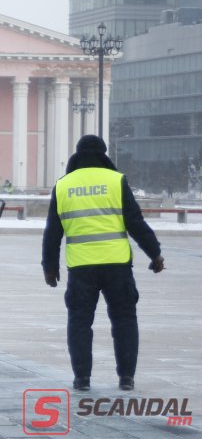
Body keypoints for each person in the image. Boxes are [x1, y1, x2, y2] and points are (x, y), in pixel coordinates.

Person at [42, 134, 165, 392]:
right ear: (103, 154)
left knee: (79, 322)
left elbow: (53, 231)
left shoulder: (63, 185)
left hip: (81, 267)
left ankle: (82, 379)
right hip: (117, 265)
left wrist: (49, 266)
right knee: (124, 320)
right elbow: (135, 223)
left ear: (77, 155)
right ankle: (126, 378)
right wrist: (154, 254)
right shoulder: (116, 181)